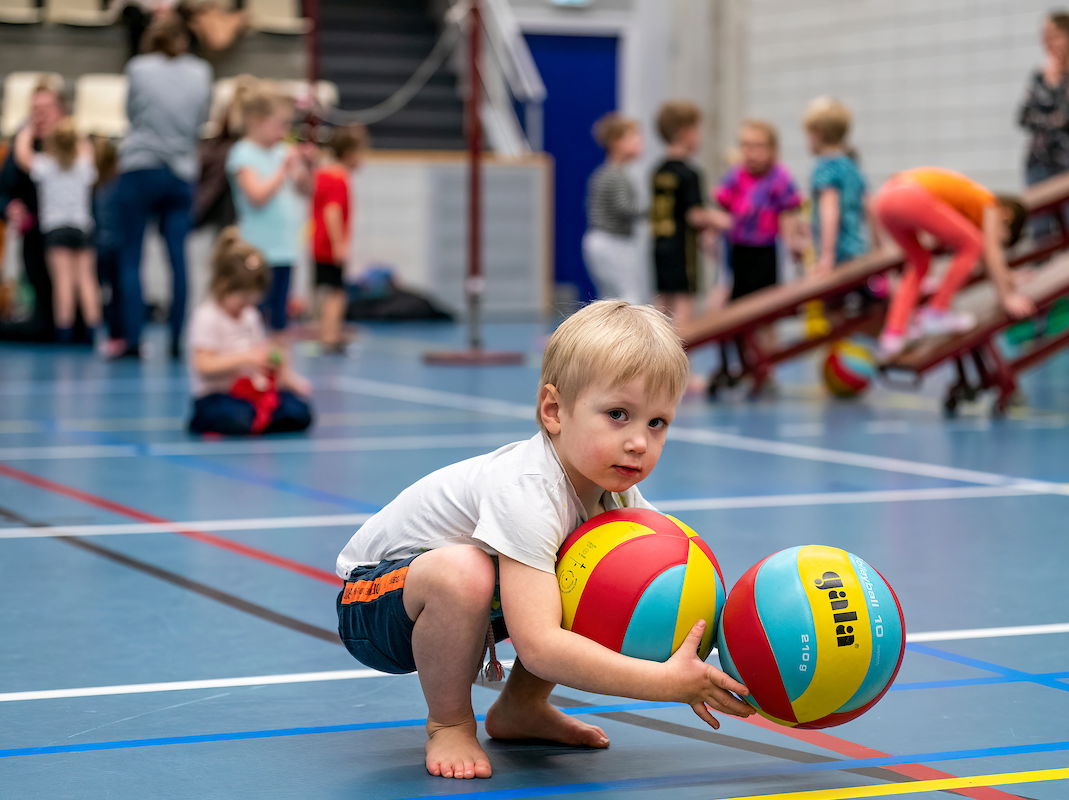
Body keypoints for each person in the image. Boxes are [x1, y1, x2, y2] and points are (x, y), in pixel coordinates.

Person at [334, 300, 754, 781]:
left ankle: (520, 709)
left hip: (472, 612)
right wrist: (667, 683)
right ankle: (448, 721)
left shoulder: (614, 495)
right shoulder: (528, 489)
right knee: (465, 571)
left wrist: (745, 651)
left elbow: (680, 577)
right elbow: (539, 646)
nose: (639, 441)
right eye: (618, 414)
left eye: (656, 423)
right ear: (554, 411)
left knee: (605, 571)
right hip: (375, 605)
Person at [115, 11, 212, 360]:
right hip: (180, 174)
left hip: (140, 169)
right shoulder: (201, 72)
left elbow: (131, 114)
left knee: (131, 258)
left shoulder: (138, 68)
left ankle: (133, 339)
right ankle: (175, 341)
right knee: (178, 260)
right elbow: (202, 118)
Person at [873, 167, 1034, 359]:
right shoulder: (990, 204)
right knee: (973, 243)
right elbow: (990, 251)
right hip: (909, 195)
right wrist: (1007, 297)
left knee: (919, 263)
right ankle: (936, 311)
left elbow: (985, 258)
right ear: (1006, 215)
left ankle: (893, 333)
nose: (995, 240)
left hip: (884, 199)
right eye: (1002, 237)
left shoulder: (965, 207)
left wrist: (1007, 276)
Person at [187, 227, 312, 435]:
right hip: (217, 395)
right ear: (223, 286)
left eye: (251, 301)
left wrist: (281, 369)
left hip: (250, 392)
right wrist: (245, 358)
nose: (246, 306)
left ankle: (260, 418)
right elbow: (203, 364)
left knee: (299, 411)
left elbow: (261, 352)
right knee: (235, 416)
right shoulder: (207, 316)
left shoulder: (250, 316)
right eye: (242, 299)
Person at [226, 86, 307, 336]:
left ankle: (278, 368)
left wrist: (302, 166)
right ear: (257, 122)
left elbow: (306, 188)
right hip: (258, 250)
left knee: (281, 319)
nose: (283, 132)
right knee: (255, 316)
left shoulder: (282, 151)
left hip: (285, 249)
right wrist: (283, 168)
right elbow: (256, 196)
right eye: (279, 124)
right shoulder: (243, 153)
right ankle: (253, 367)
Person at [14, 119, 99, 344]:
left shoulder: (46, 165)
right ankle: (93, 331)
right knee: (87, 281)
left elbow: (22, 157)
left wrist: (27, 131)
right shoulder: (83, 165)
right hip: (82, 228)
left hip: (56, 230)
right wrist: (77, 133)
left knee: (63, 282)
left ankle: (65, 332)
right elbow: (87, 150)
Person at [0, 82, 66, 342]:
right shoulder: (22, 141)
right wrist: (9, 207)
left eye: (46, 108)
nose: (40, 115)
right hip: (34, 234)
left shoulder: (71, 143)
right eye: (35, 109)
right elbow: (4, 189)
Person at [715, 120, 804, 303]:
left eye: (758, 147)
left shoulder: (779, 177)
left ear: (773, 150)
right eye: (745, 146)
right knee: (736, 302)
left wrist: (793, 242)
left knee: (767, 303)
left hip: (768, 250)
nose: (751, 153)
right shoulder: (735, 176)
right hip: (739, 250)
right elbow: (723, 208)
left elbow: (788, 212)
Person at [650, 102, 719, 326]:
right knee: (683, 301)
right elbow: (694, 215)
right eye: (697, 130)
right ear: (684, 133)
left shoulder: (658, 171)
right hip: (682, 248)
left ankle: (654, 353)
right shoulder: (690, 173)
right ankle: (680, 357)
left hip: (660, 245)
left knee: (662, 299)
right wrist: (719, 219)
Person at [311, 124, 367, 353]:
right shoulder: (339, 178)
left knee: (327, 291)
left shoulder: (323, 174)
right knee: (336, 293)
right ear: (350, 153)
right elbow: (332, 211)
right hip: (328, 245)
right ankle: (330, 337)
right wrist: (339, 245)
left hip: (318, 243)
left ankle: (327, 334)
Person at [582, 113, 646, 305]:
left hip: (606, 240)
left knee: (612, 298)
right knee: (628, 298)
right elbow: (624, 208)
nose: (639, 141)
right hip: (611, 241)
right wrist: (655, 208)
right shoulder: (613, 175)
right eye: (632, 137)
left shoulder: (611, 173)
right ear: (616, 142)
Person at [1018, 10, 1069, 239]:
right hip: (1039, 162)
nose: (1047, 42)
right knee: (1041, 231)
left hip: (1065, 163)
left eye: (1054, 35)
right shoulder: (1039, 75)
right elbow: (1023, 117)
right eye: (1045, 36)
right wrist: (1053, 120)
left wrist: (1055, 84)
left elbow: (1065, 118)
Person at [803, 98, 867, 276]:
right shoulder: (851, 165)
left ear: (817, 134)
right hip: (858, 250)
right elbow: (870, 204)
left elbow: (829, 209)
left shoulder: (825, 168)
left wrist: (827, 255)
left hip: (839, 254)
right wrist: (879, 246)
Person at [94, 138, 124, 354]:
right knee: (117, 293)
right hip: (116, 245)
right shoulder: (119, 186)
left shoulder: (97, 187)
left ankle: (111, 335)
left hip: (100, 245)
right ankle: (117, 335)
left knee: (107, 293)